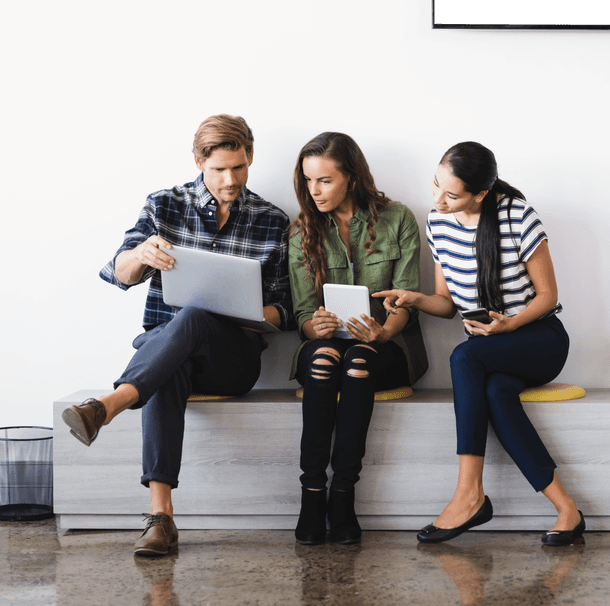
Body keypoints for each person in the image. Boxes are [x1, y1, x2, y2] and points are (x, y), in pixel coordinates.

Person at [63, 115, 293, 556]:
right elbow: (117, 273)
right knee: (175, 350)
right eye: (219, 170)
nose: (230, 180)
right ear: (198, 162)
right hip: (165, 354)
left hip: (233, 360)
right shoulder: (164, 205)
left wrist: (239, 309)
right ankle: (160, 518)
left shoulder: (271, 220)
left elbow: (284, 310)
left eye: (239, 168)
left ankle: (109, 406)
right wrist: (141, 253)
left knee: (193, 317)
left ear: (250, 160)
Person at [375, 141, 584, 546]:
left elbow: (547, 297)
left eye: (451, 195)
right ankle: (567, 510)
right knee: (495, 391)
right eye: (436, 184)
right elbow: (448, 304)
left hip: (539, 339)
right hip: (488, 352)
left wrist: (509, 326)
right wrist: (415, 298)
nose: (438, 199)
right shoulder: (438, 223)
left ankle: (469, 494)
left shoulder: (517, 216)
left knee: (464, 356)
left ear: (480, 194)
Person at [288, 132, 427, 545]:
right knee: (327, 356)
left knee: (358, 360)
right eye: (309, 180)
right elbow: (301, 314)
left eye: (325, 180)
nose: (314, 190)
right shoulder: (302, 232)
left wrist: (385, 329)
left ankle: (343, 493)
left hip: (386, 349)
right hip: (326, 347)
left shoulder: (397, 218)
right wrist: (317, 326)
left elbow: (406, 298)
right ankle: (312, 493)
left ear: (351, 176)